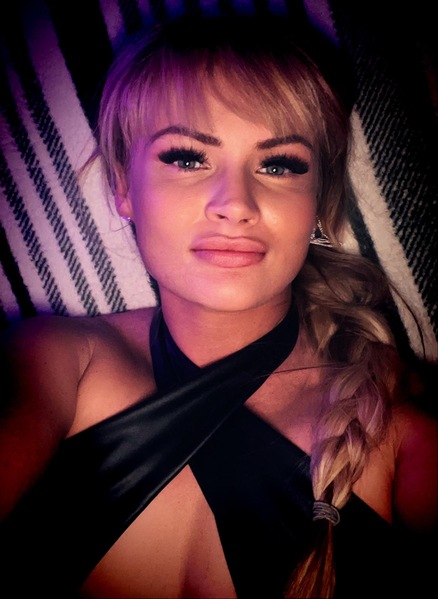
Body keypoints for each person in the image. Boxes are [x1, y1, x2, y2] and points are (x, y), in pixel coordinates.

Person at [0, 12, 436, 599]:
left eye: (279, 164)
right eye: (187, 157)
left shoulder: (396, 425)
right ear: (123, 187)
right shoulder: (54, 360)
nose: (236, 204)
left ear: (315, 203)